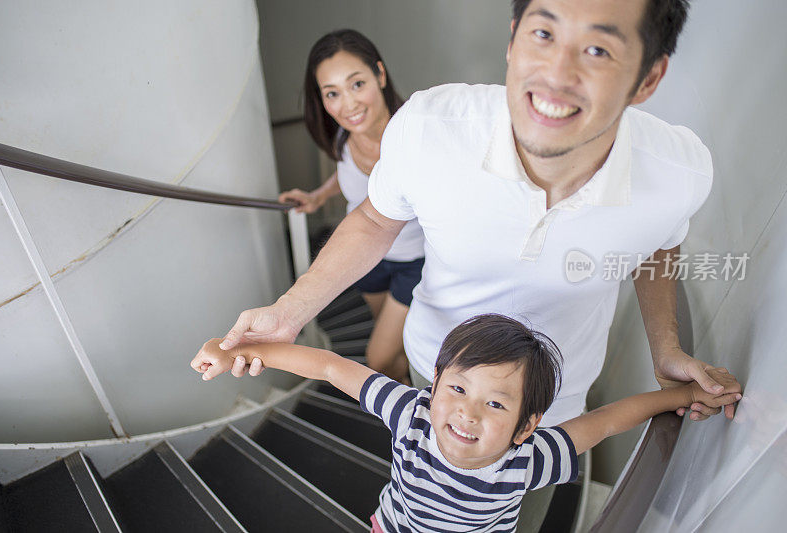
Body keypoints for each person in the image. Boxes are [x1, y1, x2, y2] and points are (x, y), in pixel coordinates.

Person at [223, 0, 739, 423]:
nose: (557, 75)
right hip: (436, 367)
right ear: (513, 41)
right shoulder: (429, 129)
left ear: (649, 78)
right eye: (543, 35)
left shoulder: (680, 172)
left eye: (598, 49)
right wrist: (289, 312)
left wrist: (665, 347)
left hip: (555, 400)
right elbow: (377, 219)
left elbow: (660, 240)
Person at [191, 314, 741, 533]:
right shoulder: (412, 412)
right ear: (433, 386)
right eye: (455, 389)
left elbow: (607, 420)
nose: (466, 413)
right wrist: (238, 349)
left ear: (527, 425)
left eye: (496, 405)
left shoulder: (529, 458)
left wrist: (685, 395)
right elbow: (332, 366)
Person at [279, 29, 425, 383]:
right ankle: (406, 409)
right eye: (333, 93)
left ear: (380, 74)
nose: (348, 105)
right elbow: (349, 178)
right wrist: (319, 196)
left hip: (415, 263)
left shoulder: (417, 138)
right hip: (367, 260)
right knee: (391, 350)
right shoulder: (344, 137)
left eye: (357, 84)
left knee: (377, 356)